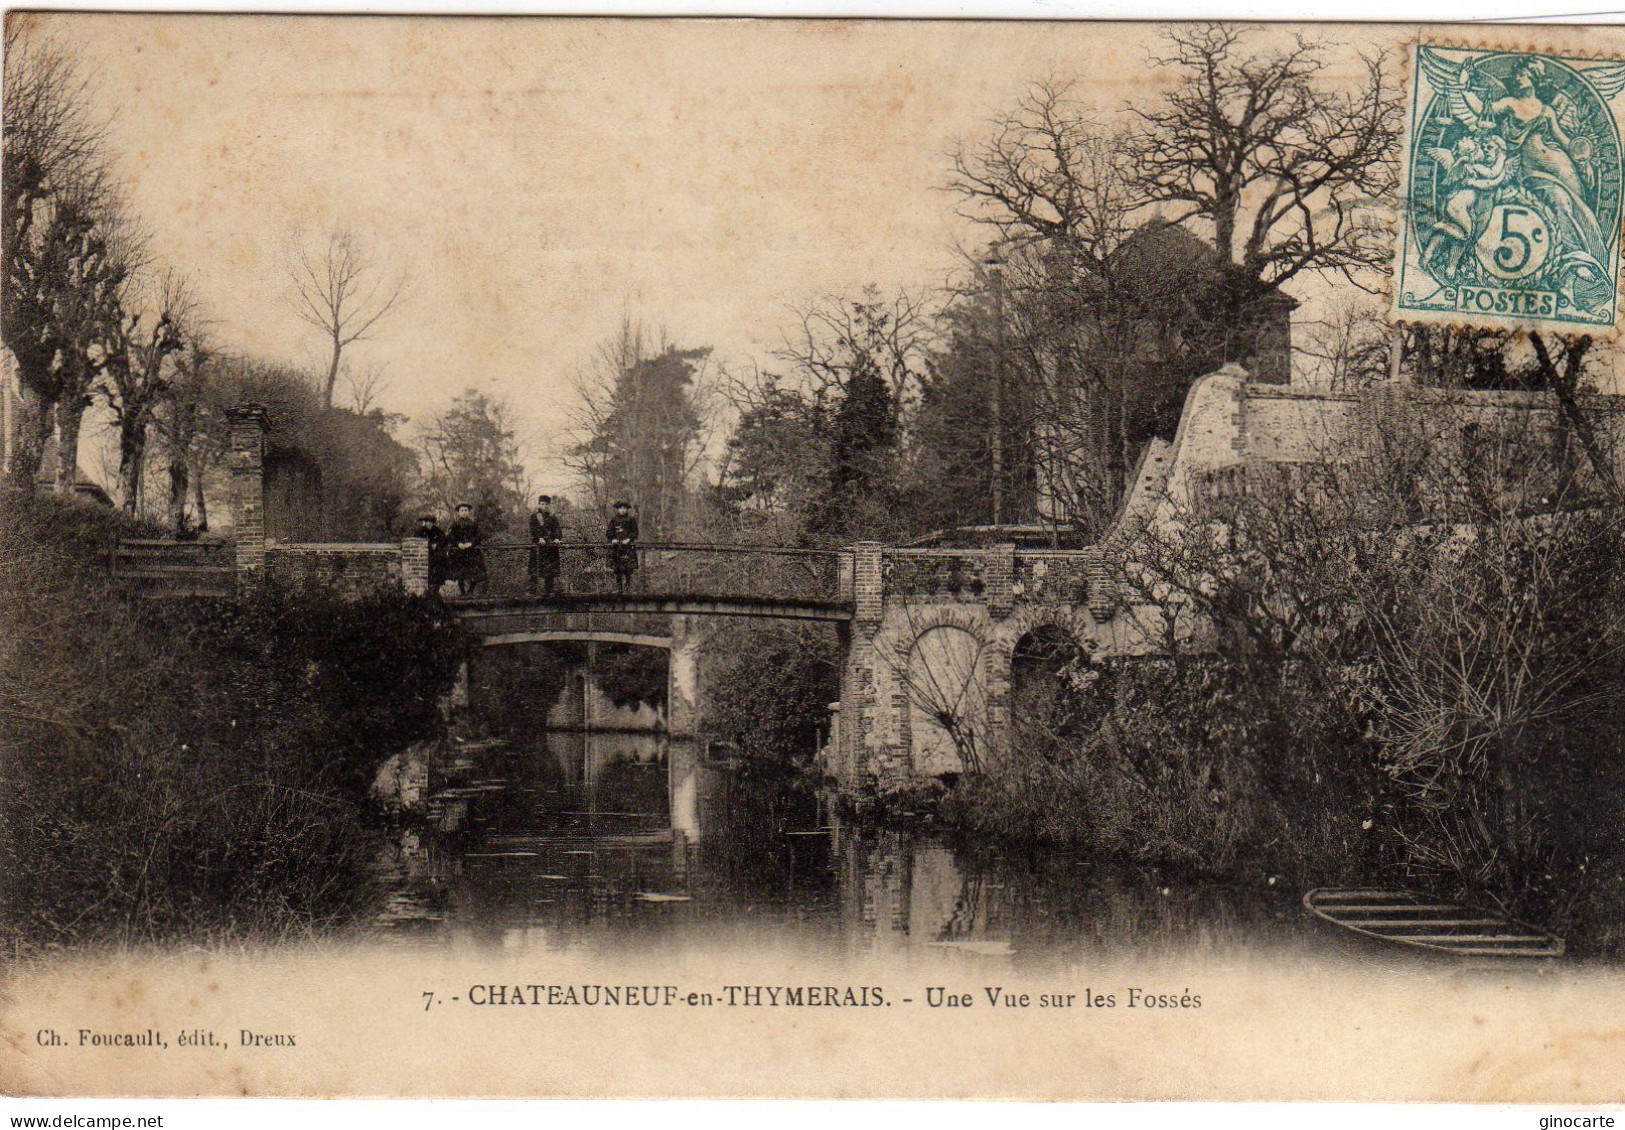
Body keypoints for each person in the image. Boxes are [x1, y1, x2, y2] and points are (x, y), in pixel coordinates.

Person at [528, 494, 564, 596]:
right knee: (535, 568)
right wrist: (539, 537)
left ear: (548, 505)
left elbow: (557, 529)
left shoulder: (552, 517)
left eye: (544, 504)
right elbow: (533, 529)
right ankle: (532, 591)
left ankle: (549, 590)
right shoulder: (535, 516)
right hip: (538, 545)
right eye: (541, 504)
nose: (542, 506)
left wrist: (557, 538)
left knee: (550, 569)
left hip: (550, 546)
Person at [447, 503, 486, 597]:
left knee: (475, 572)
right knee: (460, 573)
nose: (464, 512)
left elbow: (480, 535)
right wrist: (458, 543)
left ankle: (470, 591)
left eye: (466, 510)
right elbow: (450, 536)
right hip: (459, 552)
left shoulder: (473, 523)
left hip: (472, 552)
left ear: (469, 512)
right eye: (462, 510)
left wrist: (471, 543)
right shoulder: (455, 524)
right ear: (458, 513)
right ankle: (462, 592)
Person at [605, 500, 639, 594]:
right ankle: (619, 589)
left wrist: (629, 539)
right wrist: (613, 539)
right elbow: (609, 532)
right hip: (617, 547)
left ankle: (628, 589)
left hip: (628, 548)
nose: (623, 510)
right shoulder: (614, 519)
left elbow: (635, 532)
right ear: (617, 509)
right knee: (617, 569)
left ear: (627, 509)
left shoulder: (631, 519)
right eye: (621, 508)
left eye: (624, 508)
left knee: (628, 569)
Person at [415, 512, 447, 594]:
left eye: (431, 522)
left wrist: (437, 545)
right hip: (425, 554)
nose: (429, 524)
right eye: (427, 522)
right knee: (427, 568)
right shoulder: (420, 531)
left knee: (440, 565)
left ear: (433, 523)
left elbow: (443, 540)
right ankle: (427, 588)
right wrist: (428, 545)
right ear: (424, 522)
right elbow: (416, 541)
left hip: (436, 554)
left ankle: (436, 587)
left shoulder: (438, 531)